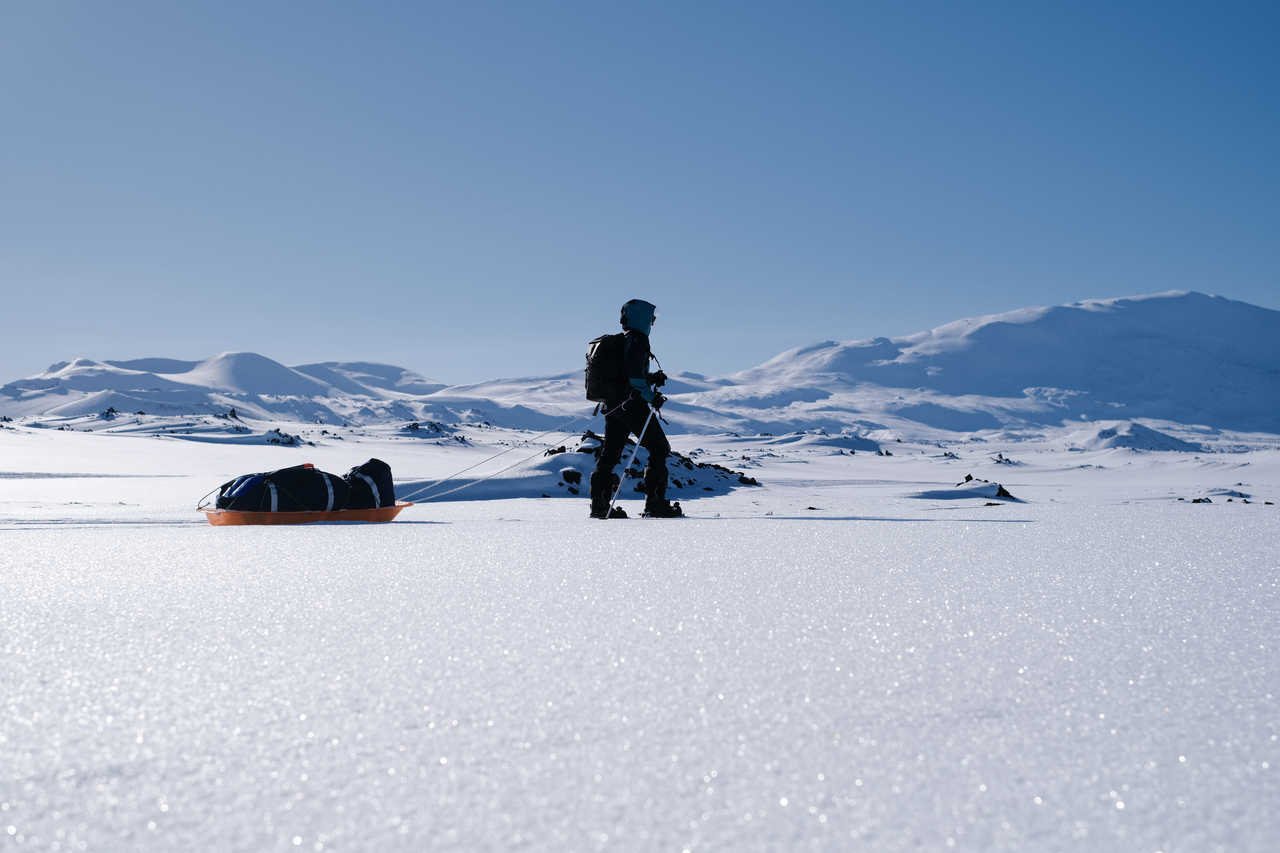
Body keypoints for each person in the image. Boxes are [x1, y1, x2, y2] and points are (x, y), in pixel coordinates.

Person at [589, 299, 682, 518]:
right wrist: (651, 396)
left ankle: (599, 505)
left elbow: (626, 377)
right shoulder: (638, 340)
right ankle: (655, 503)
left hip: (613, 406)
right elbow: (633, 378)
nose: (653, 321)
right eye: (652, 317)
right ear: (643, 318)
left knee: (610, 453)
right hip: (631, 405)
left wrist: (650, 378)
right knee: (659, 448)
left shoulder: (622, 341)